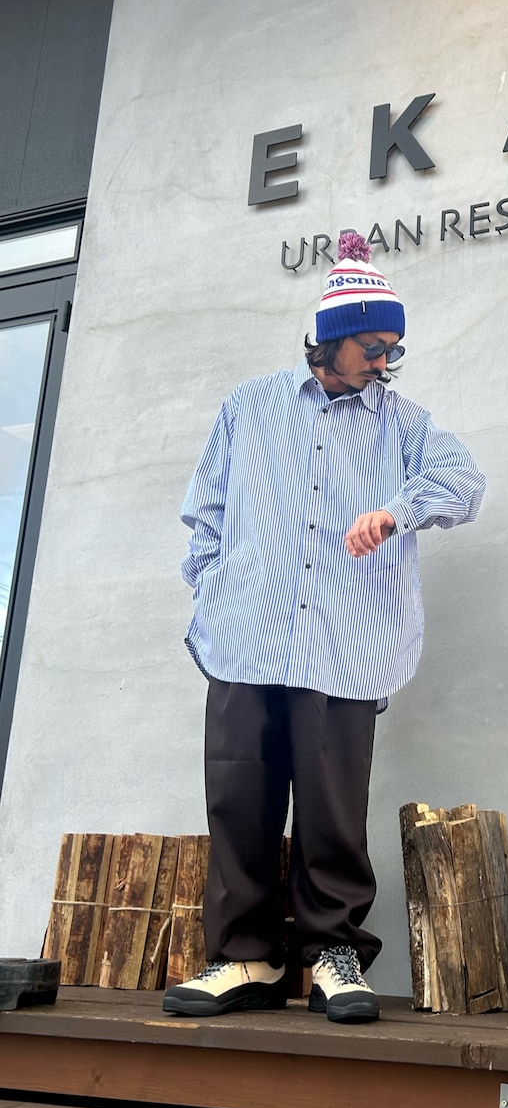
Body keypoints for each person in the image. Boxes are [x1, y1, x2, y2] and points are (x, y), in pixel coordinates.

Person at [163, 233, 485, 1024]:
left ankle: (333, 955)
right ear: (330, 338)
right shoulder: (249, 406)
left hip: (347, 643)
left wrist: (396, 510)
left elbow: (462, 482)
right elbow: (206, 507)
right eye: (373, 345)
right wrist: (214, 585)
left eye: (393, 349)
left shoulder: (403, 424)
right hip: (246, 637)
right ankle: (247, 959)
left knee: (332, 808)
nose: (385, 360)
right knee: (238, 799)